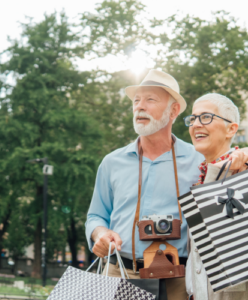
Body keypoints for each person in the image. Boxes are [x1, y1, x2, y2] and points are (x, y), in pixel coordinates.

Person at [86, 69, 205, 300]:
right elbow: (95, 216)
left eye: (150, 100)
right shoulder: (112, 162)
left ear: (173, 110)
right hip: (119, 273)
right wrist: (99, 234)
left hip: (177, 280)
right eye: (137, 100)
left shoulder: (198, 161)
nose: (140, 106)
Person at [184, 93, 248, 300]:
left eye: (206, 117)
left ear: (231, 129)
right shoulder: (203, 176)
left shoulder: (242, 174)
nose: (196, 125)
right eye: (193, 119)